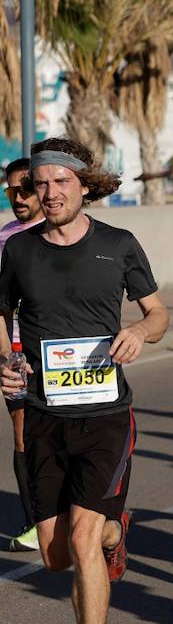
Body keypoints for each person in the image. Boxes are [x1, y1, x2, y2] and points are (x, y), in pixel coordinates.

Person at [0, 137, 168, 624]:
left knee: (80, 535)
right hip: (44, 414)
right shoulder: (19, 251)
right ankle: (117, 533)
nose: (48, 194)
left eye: (59, 183)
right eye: (38, 185)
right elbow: (1, 314)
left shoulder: (118, 245)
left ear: (83, 184)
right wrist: (5, 362)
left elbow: (158, 312)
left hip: (106, 416)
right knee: (56, 555)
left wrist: (141, 333)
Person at [1, 157, 42, 551]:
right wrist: (3, 355)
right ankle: (35, 523)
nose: (18, 197)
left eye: (25, 188)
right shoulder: (6, 238)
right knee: (22, 433)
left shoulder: (57, 233)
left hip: (55, 350)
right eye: (11, 190)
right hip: (15, 351)